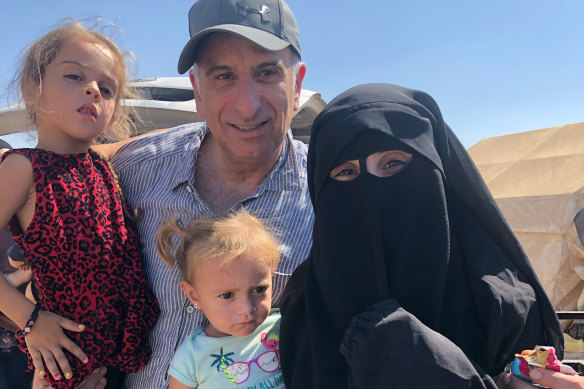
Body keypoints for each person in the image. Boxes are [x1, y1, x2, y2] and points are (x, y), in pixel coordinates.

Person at [87, 0, 314, 387]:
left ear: (296, 85)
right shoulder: (137, 169)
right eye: (223, 76)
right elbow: (58, 170)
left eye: (268, 73)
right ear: (197, 89)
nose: (247, 105)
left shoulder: (330, 194)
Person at [279, 83, 566, 388]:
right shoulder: (305, 301)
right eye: (346, 173)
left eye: (393, 164)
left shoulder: (500, 299)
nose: (370, 195)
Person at [0, 21, 159, 388]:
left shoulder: (102, 169)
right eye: (74, 75)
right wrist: (30, 320)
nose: (92, 89)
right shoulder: (23, 168)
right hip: (60, 366)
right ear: (31, 89)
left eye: (106, 88)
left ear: (115, 114)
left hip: (117, 365)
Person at [157, 210, 284, 389]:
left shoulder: (282, 328)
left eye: (258, 289)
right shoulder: (192, 356)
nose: (247, 308)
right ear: (194, 295)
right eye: (227, 295)